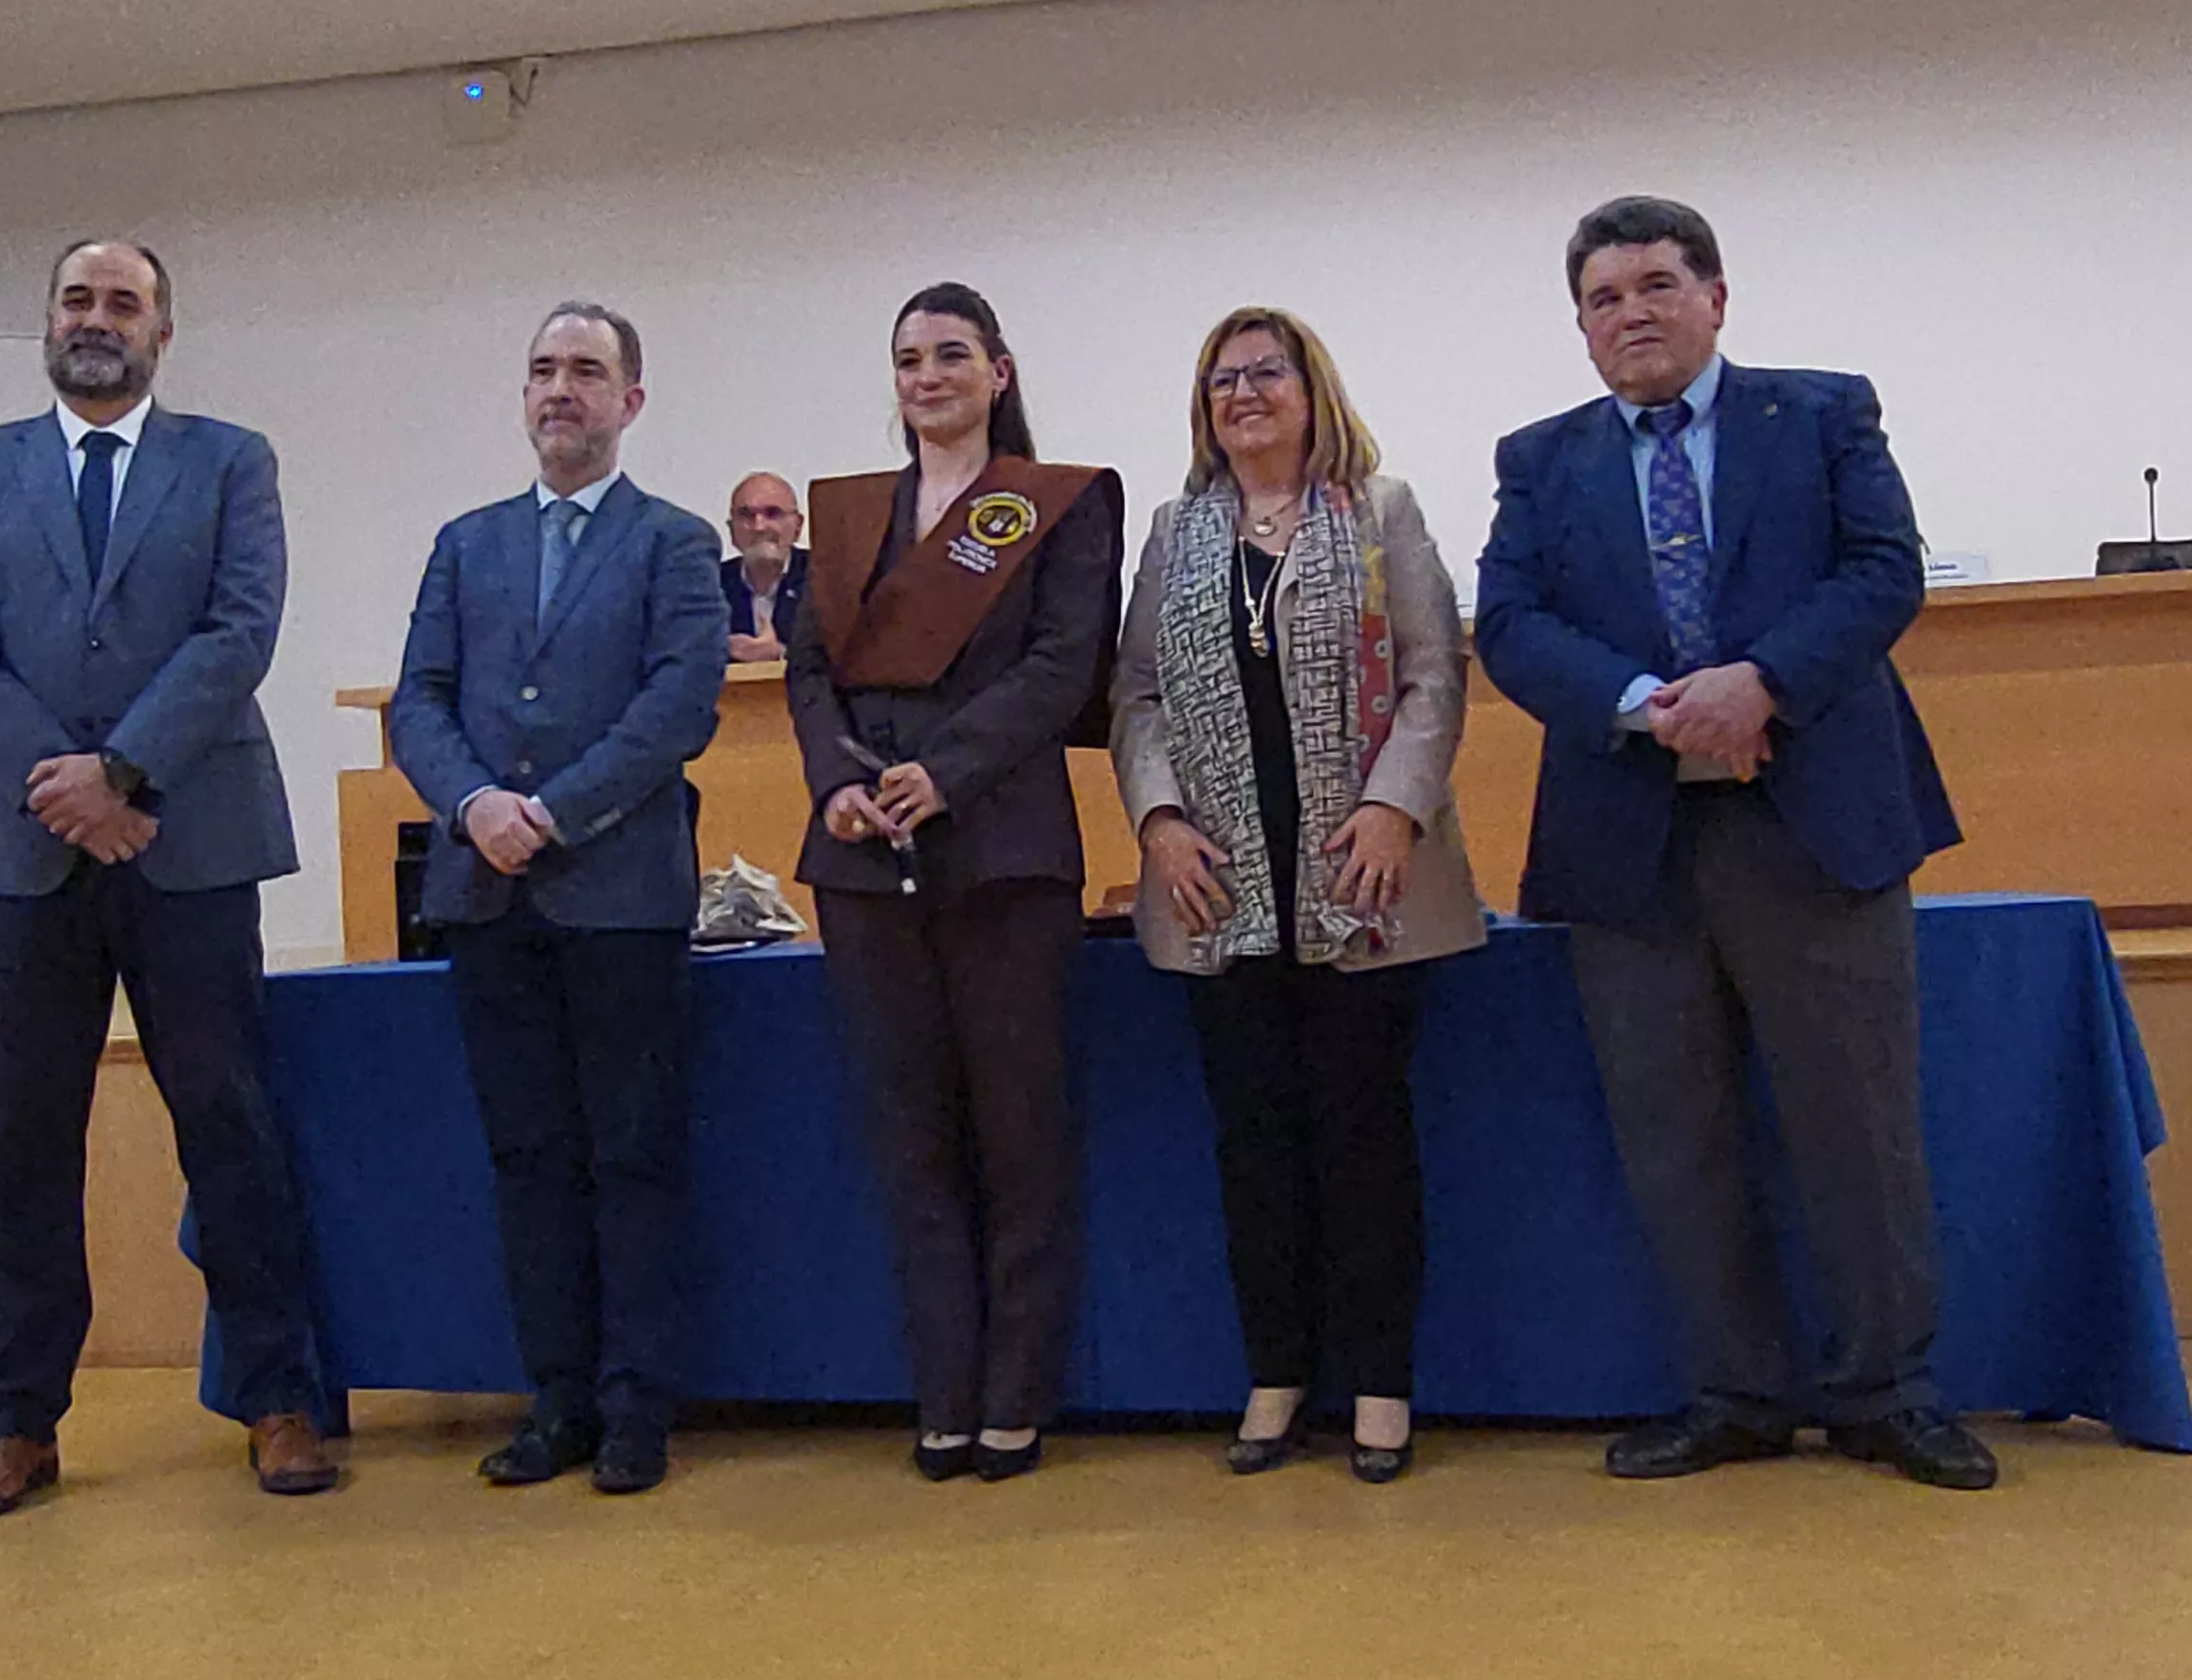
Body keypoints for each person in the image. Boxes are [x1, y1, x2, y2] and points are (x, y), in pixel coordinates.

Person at [1473, 196, 1989, 1491]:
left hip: (1813, 819)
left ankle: (1886, 1391)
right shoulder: (1540, 459)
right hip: (1631, 840)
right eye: (1603, 298)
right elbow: (1513, 624)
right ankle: (1734, 1393)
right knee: (1674, 1131)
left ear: (1715, 298)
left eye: (1655, 285)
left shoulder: (1819, 415)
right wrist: (1650, 707)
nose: (1630, 314)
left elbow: (1883, 571)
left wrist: (1760, 681)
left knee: (1855, 1122)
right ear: (1580, 327)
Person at [0, 239, 338, 1521]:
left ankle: (279, 1399)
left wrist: (126, 774)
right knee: (25, 1146)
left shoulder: (230, 460)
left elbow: (239, 629)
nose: (98, 320)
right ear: (45, 318)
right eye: (78, 300)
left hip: (189, 843)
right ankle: (20, 1423)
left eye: (125, 303)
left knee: (233, 1127)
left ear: (165, 328)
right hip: (22, 854)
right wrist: (68, 782)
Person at [1112, 307, 1483, 1484]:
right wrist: (1159, 819)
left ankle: (1378, 1383)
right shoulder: (1177, 532)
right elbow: (1135, 696)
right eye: (1221, 379)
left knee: (1365, 1142)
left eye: (1266, 372)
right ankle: (1276, 1370)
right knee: (1254, 1147)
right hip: (1220, 892)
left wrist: (1393, 806)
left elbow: (1435, 673)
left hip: (1366, 886)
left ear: (1312, 387)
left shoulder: (1380, 513)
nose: (1243, 393)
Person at [390, 302, 729, 1496]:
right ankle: (558, 1401)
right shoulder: (464, 542)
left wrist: (554, 811)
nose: (560, 390)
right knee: (528, 1157)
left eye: (586, 371)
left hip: (619, 895)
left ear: (630, 400)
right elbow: (415, 701)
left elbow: (678, 705)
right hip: (487, 897)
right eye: (542, 370)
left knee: (632, 1156)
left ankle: (638, 1407)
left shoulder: (676, 543)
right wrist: (478, 802)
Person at [789, 282, 1121, 1482]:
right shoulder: (846, 516)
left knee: (1020, 1130)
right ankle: (943, 1386)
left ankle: (1015, 1393)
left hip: (1005, 849)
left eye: (949, 355)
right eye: (908, 359)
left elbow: (1060, 663)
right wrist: (836, 777)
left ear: (999, 367)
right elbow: (810, 672)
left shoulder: (1055, 506)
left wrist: (947, 769)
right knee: (909, 1137)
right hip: (863, 858)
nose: (926, 376)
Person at [719, 471, 810, 663]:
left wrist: (782, 655)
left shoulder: (826, 578)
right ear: (731, 529)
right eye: (746, 515)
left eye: (773, 513)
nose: (759, 526)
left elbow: (848, 658)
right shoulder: (709, 585)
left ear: (798, 526)